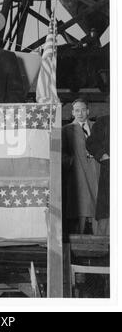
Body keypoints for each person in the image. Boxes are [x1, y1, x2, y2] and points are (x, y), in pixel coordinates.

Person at [62, 98, 100, 234]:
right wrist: (74, 162)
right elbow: (61, 154)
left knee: (98, 206)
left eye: (83, 110)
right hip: (78, 175)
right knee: (80, 207)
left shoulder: (97, 126)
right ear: (72, 113)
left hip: (97, 172)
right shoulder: (66, 130)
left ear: (88, 111)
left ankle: (100, 236)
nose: (80, 113)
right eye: (77, 110)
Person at [86, 115, 110, 235]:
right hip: (111, 172)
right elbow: (91, 142)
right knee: (107, 211)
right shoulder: (105, 121)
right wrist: (103, 156)